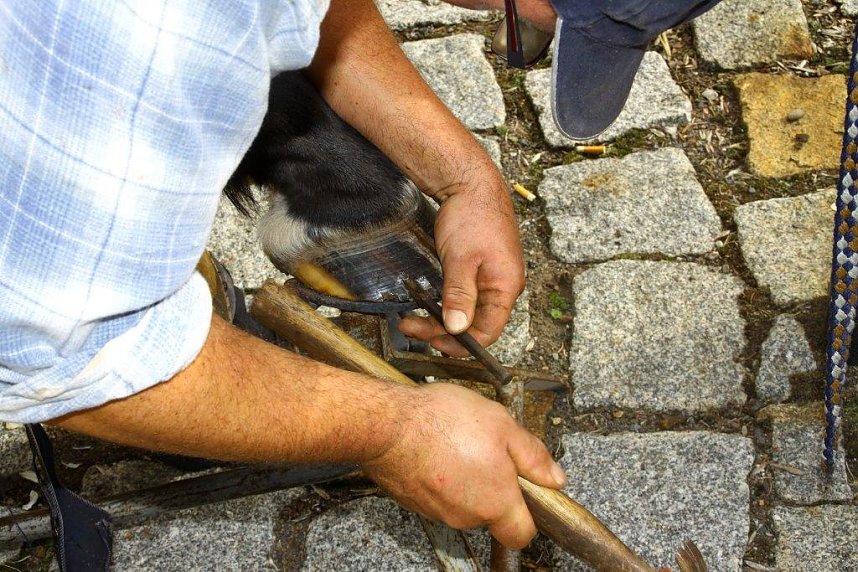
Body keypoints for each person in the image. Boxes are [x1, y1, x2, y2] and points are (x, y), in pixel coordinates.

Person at [0, 0, 723, 552]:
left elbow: (306, 8)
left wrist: (467, 179)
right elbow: (69, 359)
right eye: (520, 24)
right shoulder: (147, 50)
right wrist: (393, 432)